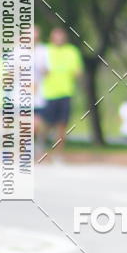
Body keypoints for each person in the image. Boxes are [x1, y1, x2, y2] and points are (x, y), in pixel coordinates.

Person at [41, 27, 83, 157]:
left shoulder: (72, 51)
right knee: (45, 123)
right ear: (51, 38)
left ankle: (58, 153)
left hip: (66, 92)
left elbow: (78, 71)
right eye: (56, 37)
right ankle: (40, 146)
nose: (59, 40)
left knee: (62, 125)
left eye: (61, 37)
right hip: (48, 93)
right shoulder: (45, 50)